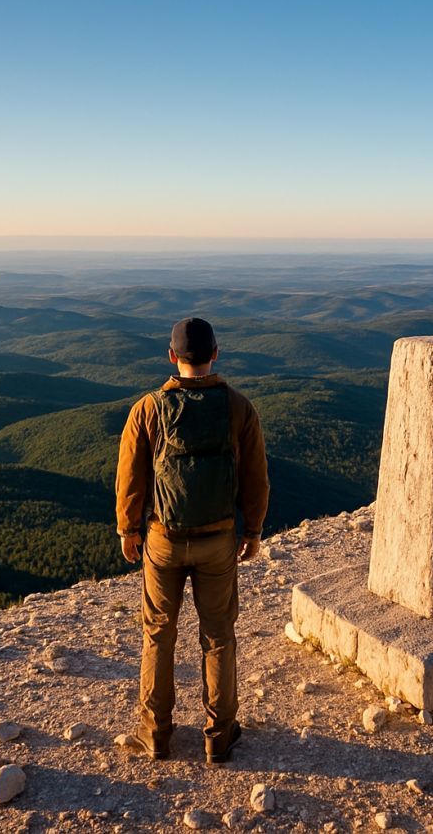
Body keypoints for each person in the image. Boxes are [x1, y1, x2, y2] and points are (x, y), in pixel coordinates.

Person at [114, 317, 269, 764]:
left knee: (158, 634)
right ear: (215, 354)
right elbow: (257, 478)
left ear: (171, 356)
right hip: (219, 537)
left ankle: (156, 732)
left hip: (163, 537)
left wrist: (130, 528)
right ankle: (219, 735)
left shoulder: (148, 408)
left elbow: (131, 476)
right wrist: (253, 530)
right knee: (218, 634)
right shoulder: (238, 407)